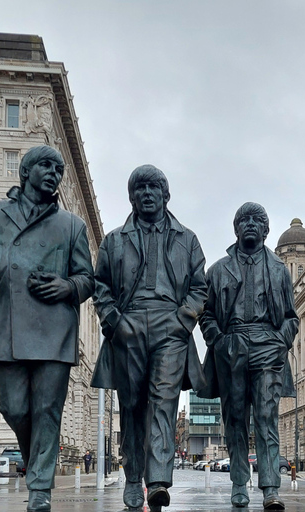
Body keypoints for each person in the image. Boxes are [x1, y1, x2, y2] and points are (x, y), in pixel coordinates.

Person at [0, 145, 94, 512]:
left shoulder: (71, 225)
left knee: (48, 409)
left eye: (59, 169)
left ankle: (39, 490)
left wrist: (68, 287)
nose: (54, 173)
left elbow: (88, 279)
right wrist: (0, 267)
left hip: (54, 328)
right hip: (7, 326)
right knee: (14, 408)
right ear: (26, 171)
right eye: (47, 166)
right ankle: (36, 461)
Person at [91, 164, 207, 510]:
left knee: (163, 402)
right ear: (132, 196)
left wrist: (182, 319)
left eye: (154, 187)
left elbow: (200, 288)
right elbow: (101, 286)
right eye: (139, 188)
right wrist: (114, 321)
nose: (146, 193)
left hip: (170, 326)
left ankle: (156, 481)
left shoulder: (187, 239)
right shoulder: (114, 240)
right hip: (127, 325)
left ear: (165, 195)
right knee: (131, 405)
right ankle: (132, 477)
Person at [199, 203, 298, 510]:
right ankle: (240, 483)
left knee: (267, 417)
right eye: (245, 220)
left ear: (266, 231)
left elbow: (291, 318)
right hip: (232, 346)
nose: (251, 224)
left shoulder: (280, 270)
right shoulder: (217, 271)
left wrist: (280, 342)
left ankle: (270, 488)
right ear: (236, 228)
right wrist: (219, 340)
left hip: (268, 345)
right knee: (235, 418)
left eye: (258, 220)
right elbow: (206, 314)